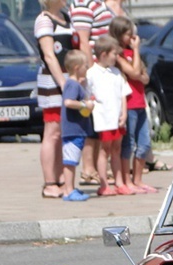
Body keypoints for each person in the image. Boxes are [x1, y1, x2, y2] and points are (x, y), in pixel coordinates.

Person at [35, 0, 78, 199]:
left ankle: (62, 179)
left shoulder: (66, 18)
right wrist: (62, 83)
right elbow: (49, 55)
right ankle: (49, 182)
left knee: (62, 132)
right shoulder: (44, 20)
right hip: (52, 83)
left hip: (68, 81)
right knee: (51, 131)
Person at [109, 16, 156, 194]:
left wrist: (135, 54)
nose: (132, 39)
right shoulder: (119, 56)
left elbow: (144, 77)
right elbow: (135, 72)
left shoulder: (132, 54)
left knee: (144, 143)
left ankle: (138, 179)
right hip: (127, 105)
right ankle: (127, 180)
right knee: (128, 144)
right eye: (128, 35)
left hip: (140, 102)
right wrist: (135, 53)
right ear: (119, 34)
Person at [70, 0, 113, 185]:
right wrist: (90, 73)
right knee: (91, 120)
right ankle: (88, 169)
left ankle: (97, 167)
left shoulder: (96, 3)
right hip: (94, 71)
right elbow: (83, 42)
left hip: (102, 70)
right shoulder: (82, 5)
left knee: (98, 121)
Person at [87, 35, 131, 196]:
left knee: (116, 149)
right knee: (104, 150)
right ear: (104, 54)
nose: (116, 57)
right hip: (103, 118)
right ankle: (104, 184)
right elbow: (87, 94)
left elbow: (123, 94)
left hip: (117, 118)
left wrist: (124, 113)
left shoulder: (116, 72)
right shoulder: (92, 73)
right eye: (114, 54)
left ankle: (119, 182)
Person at [60, 50, 92, 201]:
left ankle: (70, 188)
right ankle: (68, 190)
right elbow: (68, 102)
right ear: (77, 67)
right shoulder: (72, 85)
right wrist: (84, 104)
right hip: (73, 130)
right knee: (70, 161)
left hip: (75, 130)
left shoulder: (74, 84)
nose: (87, 68)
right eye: (85, 65)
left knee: (71, 160)